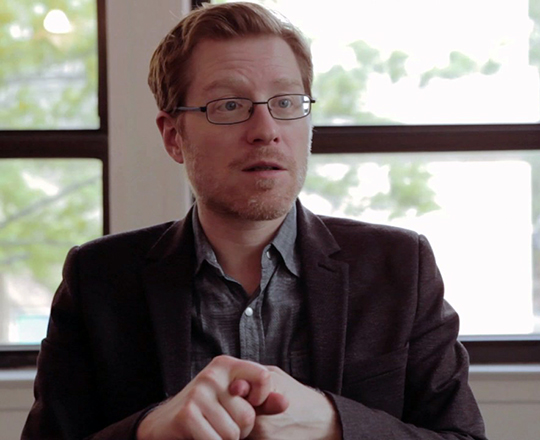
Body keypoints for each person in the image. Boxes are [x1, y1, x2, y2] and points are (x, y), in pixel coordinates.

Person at [22, 2, 487, 439]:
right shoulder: (97, 278)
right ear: (173, 136)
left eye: (286, 102)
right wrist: (148, 429)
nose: (266, 131)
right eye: (229, 105)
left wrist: (333, 423)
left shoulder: (399, 266)